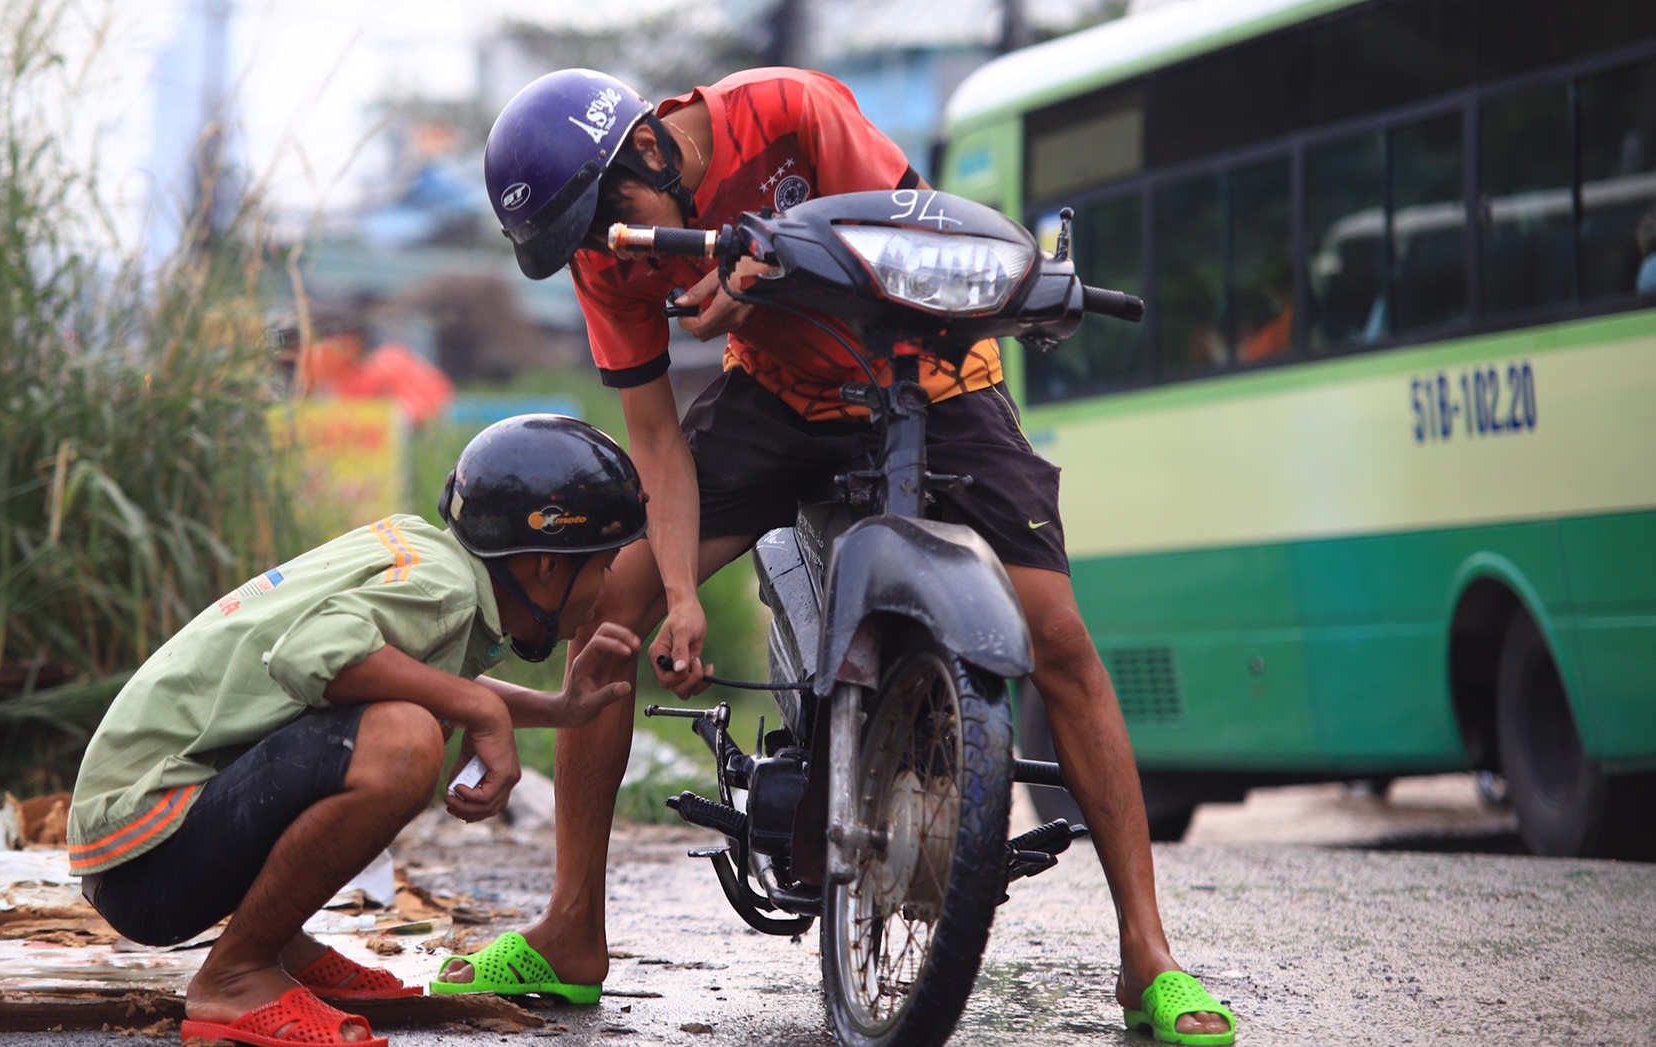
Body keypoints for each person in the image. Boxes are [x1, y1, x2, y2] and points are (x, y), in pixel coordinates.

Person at [437, 67, 1236, 1045]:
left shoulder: (789, 113)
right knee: (615, 603)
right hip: (781, 400)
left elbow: (917, 246)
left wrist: (751, 269)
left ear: (647, 145)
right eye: (581, 237)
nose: (607, 248)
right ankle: (571, 932)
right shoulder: (605, 256)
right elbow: (655, 439)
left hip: (936, 377)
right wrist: (682, 592)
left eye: (609, 213)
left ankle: (1146, 951)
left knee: (1059, 634)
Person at [68, 415, 649, 1047]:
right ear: (545, 565)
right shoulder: (443, 590)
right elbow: (311, 653)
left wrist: (560, 709)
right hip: (148, 861)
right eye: (604, 563)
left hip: (145, 847)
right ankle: (236, 974)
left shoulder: (431, 562)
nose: (609, 584)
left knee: (401, 713)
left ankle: (280, 945)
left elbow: (389, 674)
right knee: (404, 742)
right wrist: (480, 714)